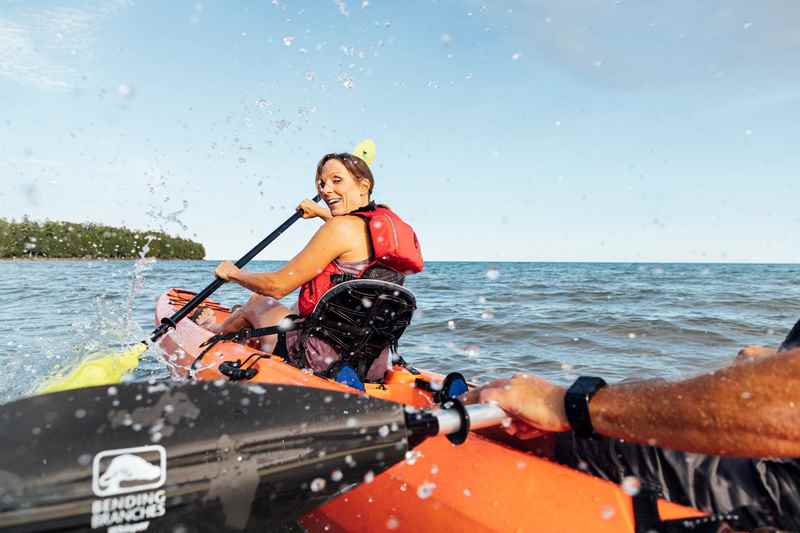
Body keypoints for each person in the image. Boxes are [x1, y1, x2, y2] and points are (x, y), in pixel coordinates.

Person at [470, 322, 800, 531]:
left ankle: (447, 415)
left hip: (783, 486)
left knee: (576, 432)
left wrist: (571, 406)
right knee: (639, 390)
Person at [207, 152, 423, 382]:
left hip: (317, 359)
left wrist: (234, 273)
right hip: (372, 364)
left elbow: (277, 286)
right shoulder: (388, 229)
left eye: (336, 180)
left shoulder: (340, 228)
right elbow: (353, 237)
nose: (326, 189)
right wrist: (321, 212)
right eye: (321, 183)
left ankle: (210, 341)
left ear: (363, 185)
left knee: (256, 302)